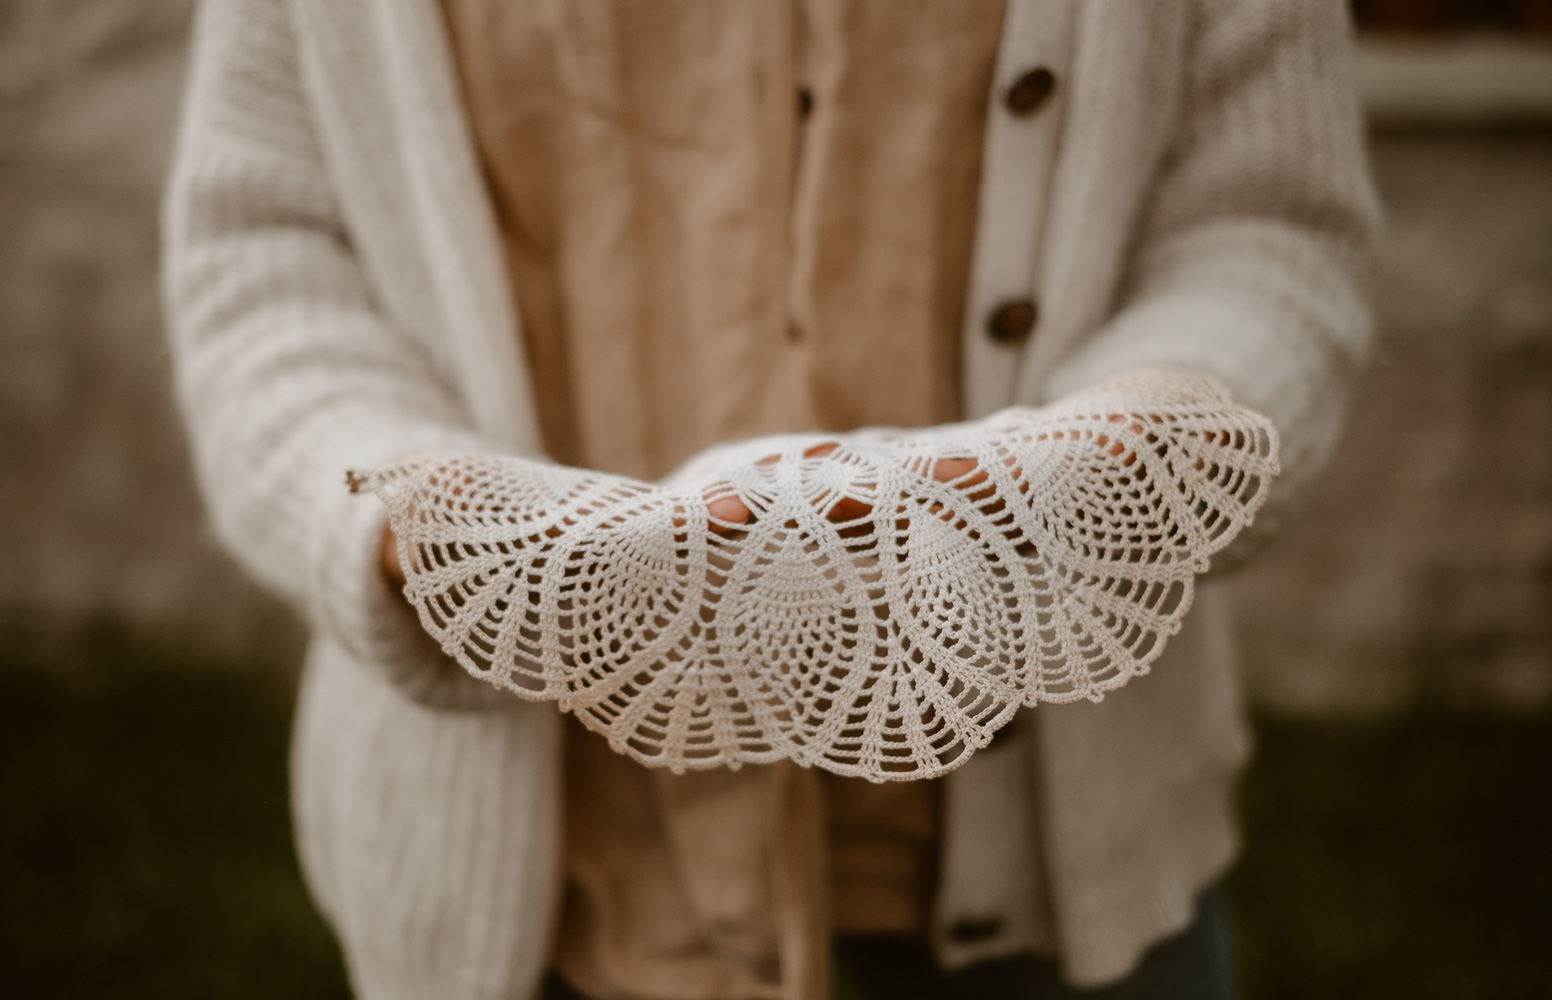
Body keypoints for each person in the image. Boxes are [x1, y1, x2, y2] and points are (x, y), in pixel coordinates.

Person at [162, 2, 1379, 998]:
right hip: (537, 868)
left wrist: (1087, 484)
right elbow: (265, 271)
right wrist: (431, 534)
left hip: (1059, 859)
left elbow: (1266, 230)